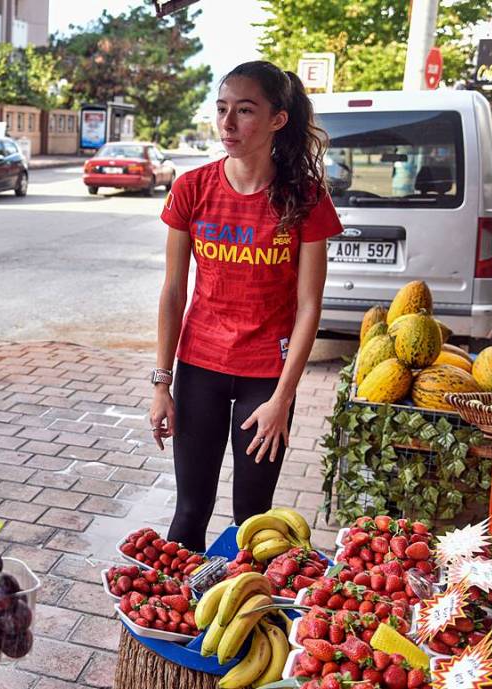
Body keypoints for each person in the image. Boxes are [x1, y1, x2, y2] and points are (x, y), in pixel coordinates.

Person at [148, 61, 343, 552]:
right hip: (199, 368)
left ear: (278, 119)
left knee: (252, 521)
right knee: (190, 511)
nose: (228, 124)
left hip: (267, 377)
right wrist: (161, 382)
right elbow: (174, 291)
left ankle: (243, 620)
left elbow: (309, 307)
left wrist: (283, 398)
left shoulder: (305, 197)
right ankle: (180, 620)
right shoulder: (192, 188)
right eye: (222, 110)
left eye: (245, 111)